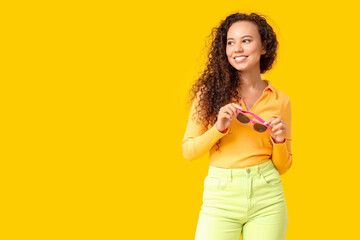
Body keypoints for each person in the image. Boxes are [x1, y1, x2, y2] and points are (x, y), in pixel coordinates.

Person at [181, 12, 292, 240]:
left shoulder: (280, 100)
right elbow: (188, 152)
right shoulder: (209, 94)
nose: (237, 48)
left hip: (267, 196)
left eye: (246, 40)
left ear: (264, 47)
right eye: (230, 42)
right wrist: (218, 128)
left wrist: (279, 141)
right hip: (221, 197)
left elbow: (283, 166)